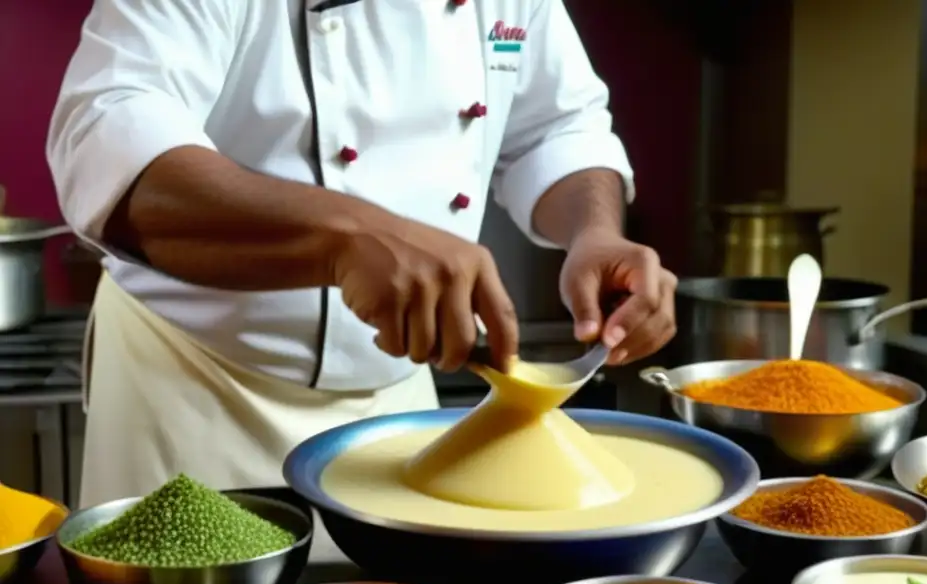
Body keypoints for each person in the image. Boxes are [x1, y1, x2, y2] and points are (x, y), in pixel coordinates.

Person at [48, 0, 677, 515]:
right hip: (196, 393)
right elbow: (105, 137)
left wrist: (595, 231)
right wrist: (345, 237)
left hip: (395, 406)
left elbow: (557, 127)